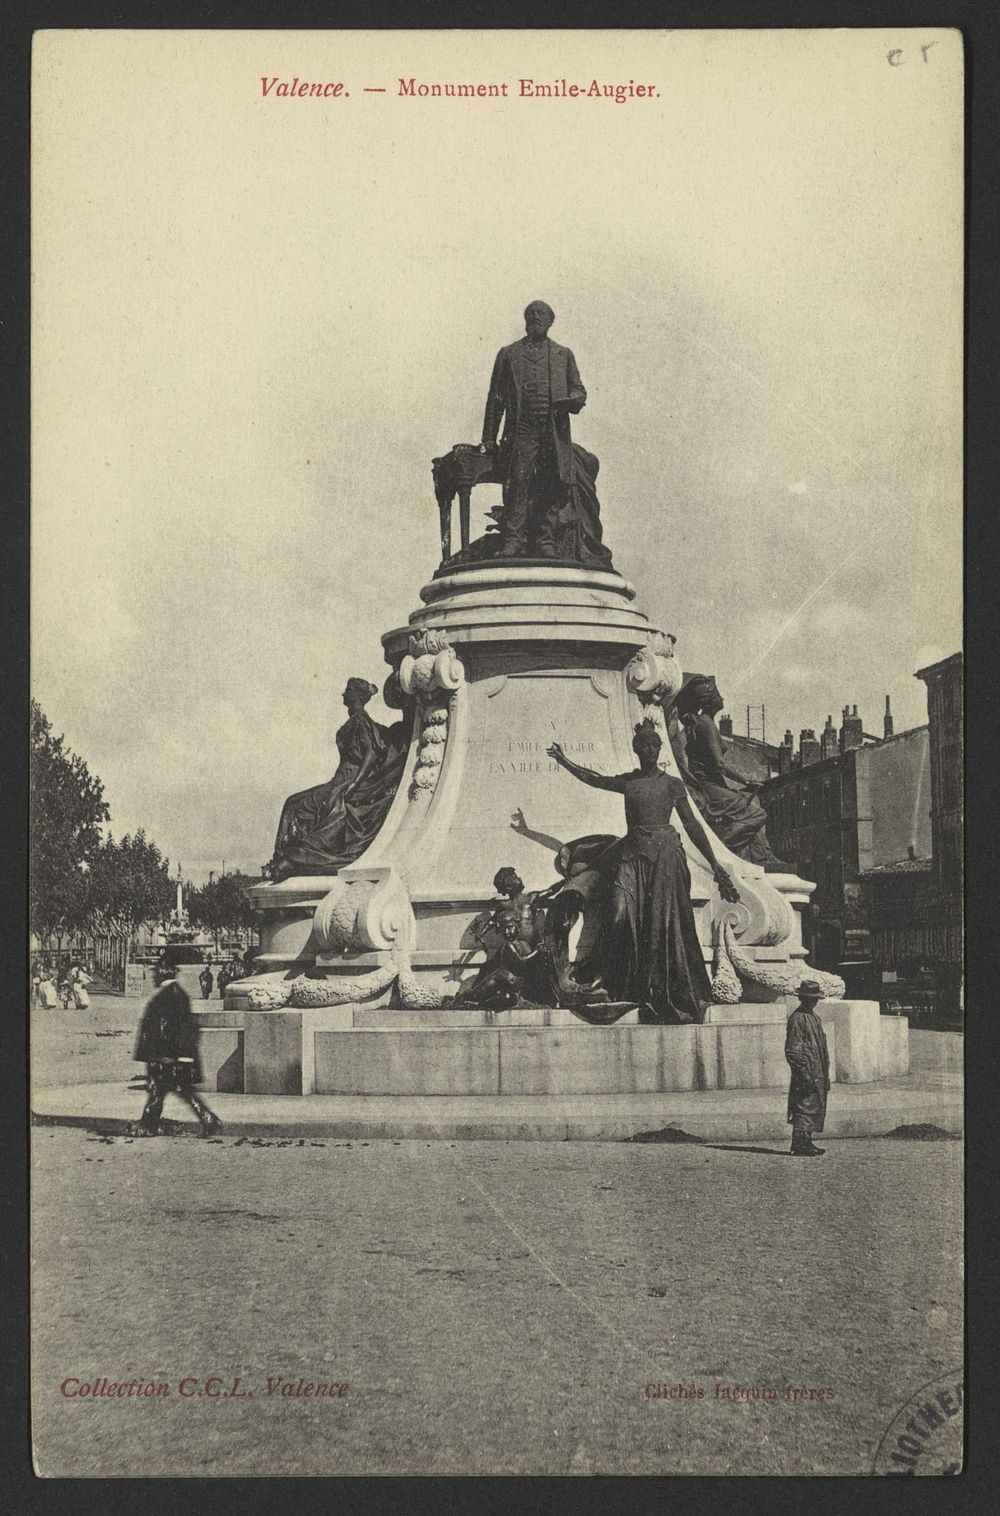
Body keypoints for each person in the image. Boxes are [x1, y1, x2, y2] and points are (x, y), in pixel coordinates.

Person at [546, 720, 739, 1024]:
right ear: (637, 750)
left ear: (659, 748)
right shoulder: (630, 783)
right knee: (619, 913)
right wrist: (565, 761)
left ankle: (657, 987)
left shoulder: (672, 784)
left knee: (663, 922)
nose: (650, 750)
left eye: (654, 745)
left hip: (664, 857)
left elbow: (692, 824)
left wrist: (716, 866)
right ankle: (612, 981)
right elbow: (595, 779)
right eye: (644, 746)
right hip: (631, 855)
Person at [264, 677, 408, 882]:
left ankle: (288, 859)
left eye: (347, 691)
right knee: (293, 803)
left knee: (294, 804)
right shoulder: (356, 720)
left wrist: (354, 784)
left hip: (346, 780)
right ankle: (283, 857)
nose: (343, 694)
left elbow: (371, 754)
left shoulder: (359, 720)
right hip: (339, 778)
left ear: (356, 695)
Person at [481, 301, 587, 558]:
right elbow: (496, 399)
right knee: (517, 483)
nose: (535, 317)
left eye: (541, 314)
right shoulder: (509, 354)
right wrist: (488, 438)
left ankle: (545, 540)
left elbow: (578, 390)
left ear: (551, 321)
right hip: (521, 429)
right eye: (531, 314)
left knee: (549, 483)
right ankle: (513, 539)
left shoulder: (563, 355)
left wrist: (572, 399)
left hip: (552, 431)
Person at [669, 674, 786, 870]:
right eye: (717, 693)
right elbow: (720, 765)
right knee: (757, 814)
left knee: (751, 803)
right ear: (710, 699)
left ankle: (762, 856)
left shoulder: (702, 723)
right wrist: (746, 782)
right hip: (710, 788)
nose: (721, 697)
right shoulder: (706, 724)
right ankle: (718, 850)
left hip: (711, 784)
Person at [131, 955, 221, 1137]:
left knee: (163, 1091)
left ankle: (149, 1126)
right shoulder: (173, 993)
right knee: (168, 1092)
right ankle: (207, 1119)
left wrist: (175, 1055)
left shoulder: (172, 995)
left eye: (156, 973)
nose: (154, 977)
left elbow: (179, 1028)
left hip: (169, 1057)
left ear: (164, 973)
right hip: (169, 1057)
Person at [784, 979, 831, 1156]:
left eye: (815, 998)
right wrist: (802, 1070)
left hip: (817, 1070)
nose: (814, 1001)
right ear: (803, 998)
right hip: (806, 1071)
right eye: (811, 998)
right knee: (804, 1106)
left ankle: (806, 1140)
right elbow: (793, 1048)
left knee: (813, 1105)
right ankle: (799, 1143)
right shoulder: (797, 1019)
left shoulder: (813, 1017)